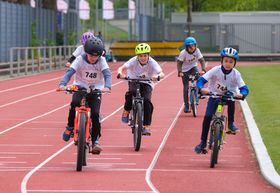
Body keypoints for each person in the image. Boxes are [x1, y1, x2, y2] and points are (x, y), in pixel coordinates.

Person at [57, 37, 112, 154]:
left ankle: (96, 141)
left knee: (96, 114)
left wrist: (107, 87)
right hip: (80, 86)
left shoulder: (102, 61)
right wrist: (63, 84)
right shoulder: (79, 60)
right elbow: (69, 72)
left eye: (95, 56)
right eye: (91, 56)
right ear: (86, 53)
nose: (93, 58)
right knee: (74, 103)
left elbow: (107, 74)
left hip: (96, 89)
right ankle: (70, 127)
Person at [194, 47, 249, 154]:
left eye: (231, 62)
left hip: (228, 96)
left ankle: (231, 124)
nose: (228, 64)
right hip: (214, 95)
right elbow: (201, 80)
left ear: (235, 63)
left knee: (231, 99)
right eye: (226, 61)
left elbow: (244, 87)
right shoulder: (216, 70)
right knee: (207, 116)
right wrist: (201, 89)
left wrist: (242, 94)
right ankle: (202, 142)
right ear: (222, 61)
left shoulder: (236, 74)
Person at [117, 43, 165, 136]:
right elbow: (122, 67)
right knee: (130, 94)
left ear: (148, 55)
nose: (143, 58)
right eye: (140, 56)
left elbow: (161, 73)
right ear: (137, 56)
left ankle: (146, 126)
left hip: (147, 82)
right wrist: (120, 73)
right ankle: (126, 110)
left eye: (145, 55)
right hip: (133, 80)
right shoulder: (133, 61)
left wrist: (158, 76)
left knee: (147, 101)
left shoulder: (152, 62)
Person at [177, 36, 207, 113]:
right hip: (184, 71)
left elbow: (202, 60)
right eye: (190, 47)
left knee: (199, 78)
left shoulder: (197, 51)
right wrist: (180, 72)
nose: (192, 48)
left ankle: (200, 91)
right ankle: (186, 106)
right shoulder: (183, 53)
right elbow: (179, 63)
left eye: (193, 46)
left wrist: (203, 69)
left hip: (193, 67)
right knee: (186, 88)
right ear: (186, 47)